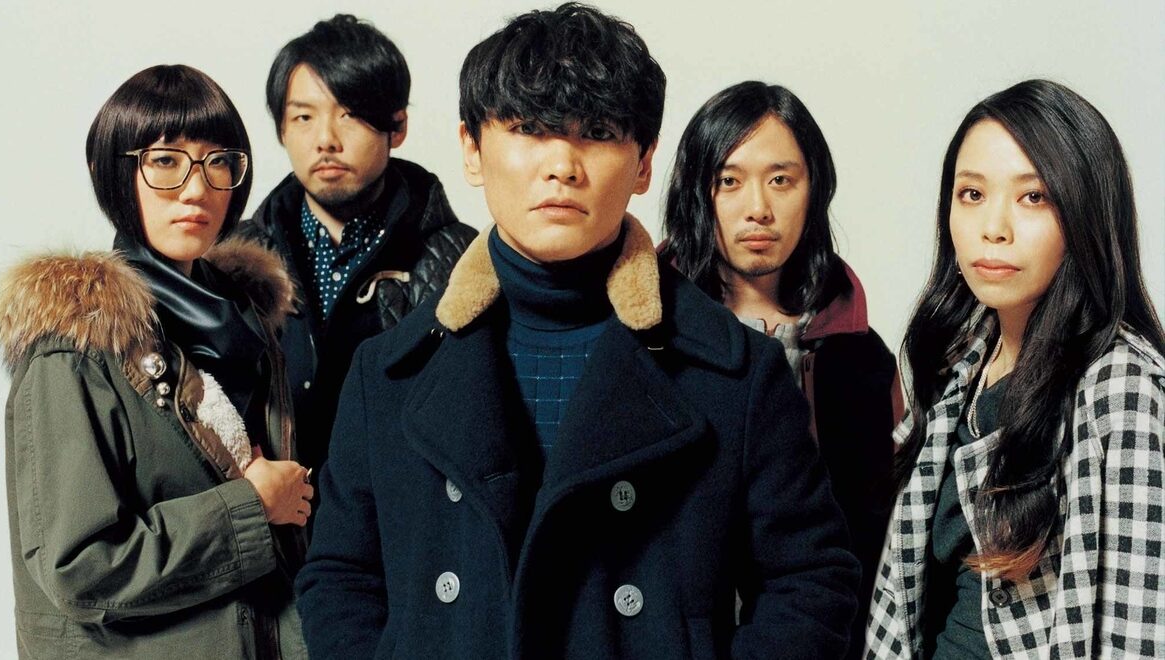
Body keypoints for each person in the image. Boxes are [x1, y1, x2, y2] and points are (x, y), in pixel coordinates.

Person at [296, 4, 859, 659]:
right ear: (472, 150)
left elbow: (811, 582)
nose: (562, 164)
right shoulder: (388, 372)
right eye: (529, 128)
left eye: (596, 131)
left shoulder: (735, 371)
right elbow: (340, 579)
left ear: (644, 162)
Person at [0, 65, 311, 659]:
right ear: (113, 173)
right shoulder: (75, 348)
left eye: (219, 162)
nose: (197, 189)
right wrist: (250, 508)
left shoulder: (247, 326)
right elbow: (81, 568)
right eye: (165, 161)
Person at [865, 79, 1165, 659]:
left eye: (1033, 197)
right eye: (972, 194)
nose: (994, 227)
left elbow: (1139, 633)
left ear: (1084, 213)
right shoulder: (961, 361)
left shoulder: (1120, 387)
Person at [660, 81, 900, 657]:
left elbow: (883, 533)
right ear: (696, 191)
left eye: (780, 180)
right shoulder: (649, 340)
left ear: (814, 189)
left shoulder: (863, 357)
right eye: (729, 181)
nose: (758, 209)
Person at [239, 14, 477, 495]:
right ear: (282, 130)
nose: (326, 139)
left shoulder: (461, 257)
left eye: (349, 114)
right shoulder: (235, 259)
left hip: (404, 518)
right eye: (303, 117)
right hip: (277, 525)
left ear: (397, 126)